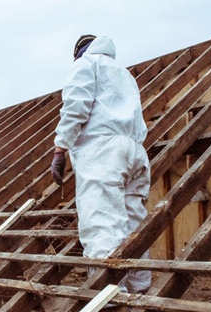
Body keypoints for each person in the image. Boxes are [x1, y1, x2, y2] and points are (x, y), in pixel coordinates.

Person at [50, 34, 151, 293]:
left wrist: (60, 148)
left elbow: (76, 107)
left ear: (79, 52)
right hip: (134, 151)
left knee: (102, 223)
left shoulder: (85, 64)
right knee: (133, 225)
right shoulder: (123, 74)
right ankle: (140, 292)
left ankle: (110, 300)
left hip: (103, 150)